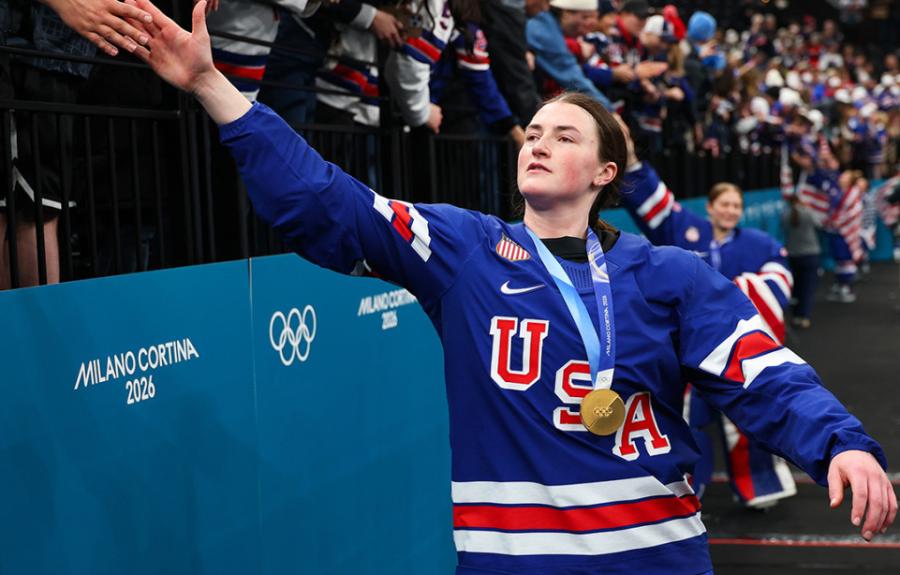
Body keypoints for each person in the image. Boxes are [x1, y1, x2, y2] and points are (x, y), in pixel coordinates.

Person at [128, 2, 895, 573]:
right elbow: (327, 201)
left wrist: (840, 445)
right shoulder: (464, 250)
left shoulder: (672, 277)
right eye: (532, 130)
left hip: (657, 558)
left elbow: (763, 374)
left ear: (604, 175)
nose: (537, 140)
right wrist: (212, 86)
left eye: (565, 135)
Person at [618, 137, 799, 508]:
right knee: (688, 421)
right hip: (685, 351)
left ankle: (759, 487)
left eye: (737, 205)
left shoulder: (760, 243)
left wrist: (735, 294)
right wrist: (634, 161)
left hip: (737, 350)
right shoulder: (685, 230)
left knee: (747, 420)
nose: (731, 211)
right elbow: (656, 203)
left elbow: (780, 283)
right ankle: (687, 488)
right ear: (711, 207)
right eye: (725, 204)